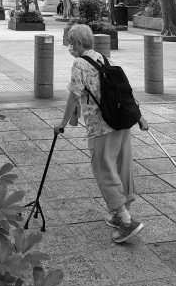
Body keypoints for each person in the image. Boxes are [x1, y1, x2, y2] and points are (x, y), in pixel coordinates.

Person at [54, 24, 149, 243]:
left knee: (104, 170)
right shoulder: (103, 58)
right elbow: (123, 90)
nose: (69, 45)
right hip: (121, 122)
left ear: (78, 43)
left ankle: (126, 221)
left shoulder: (79, 62)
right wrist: (139, 117)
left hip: (101, 126)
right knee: (121, 167)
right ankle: (119, 213)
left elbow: (74, 94)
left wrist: (63, 122)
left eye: (70, 41)